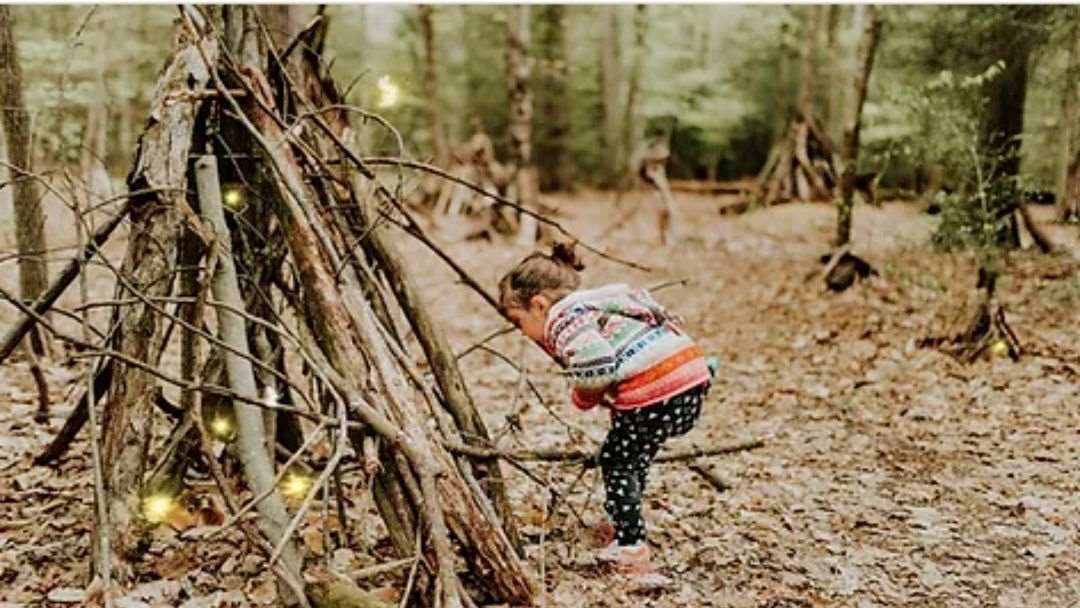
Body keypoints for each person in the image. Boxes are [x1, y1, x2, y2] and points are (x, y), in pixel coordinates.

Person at [497, 243, 715, 573]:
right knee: (634, 456)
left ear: (539, 305)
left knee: (616, 461)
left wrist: (584, 397)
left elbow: (596, 365)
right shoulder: (600, 303)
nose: (523, 333)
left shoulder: (563, 321)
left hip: (654, 393)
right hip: (689, 380)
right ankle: (625, 523)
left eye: (518, 321)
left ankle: (630, 548)